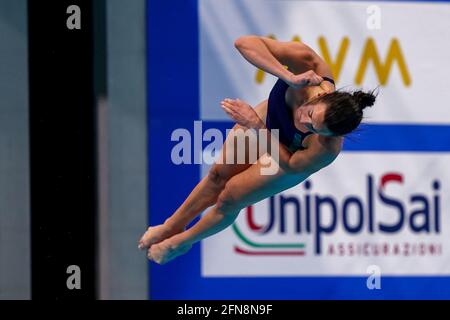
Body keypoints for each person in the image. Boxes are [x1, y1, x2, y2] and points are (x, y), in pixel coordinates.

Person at [138, 35, 377, 264]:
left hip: (286, 154)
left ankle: (182, 241)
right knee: (218, 176)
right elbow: (245, 43)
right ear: (323, 95)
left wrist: (254, 124)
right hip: (269, 119)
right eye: (311, 114)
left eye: (314, 129)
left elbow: (289, 164)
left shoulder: (326, 148)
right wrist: (287, 77)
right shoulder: (308, 63)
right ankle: (171, 225)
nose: (304, 122)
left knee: (229, 198)